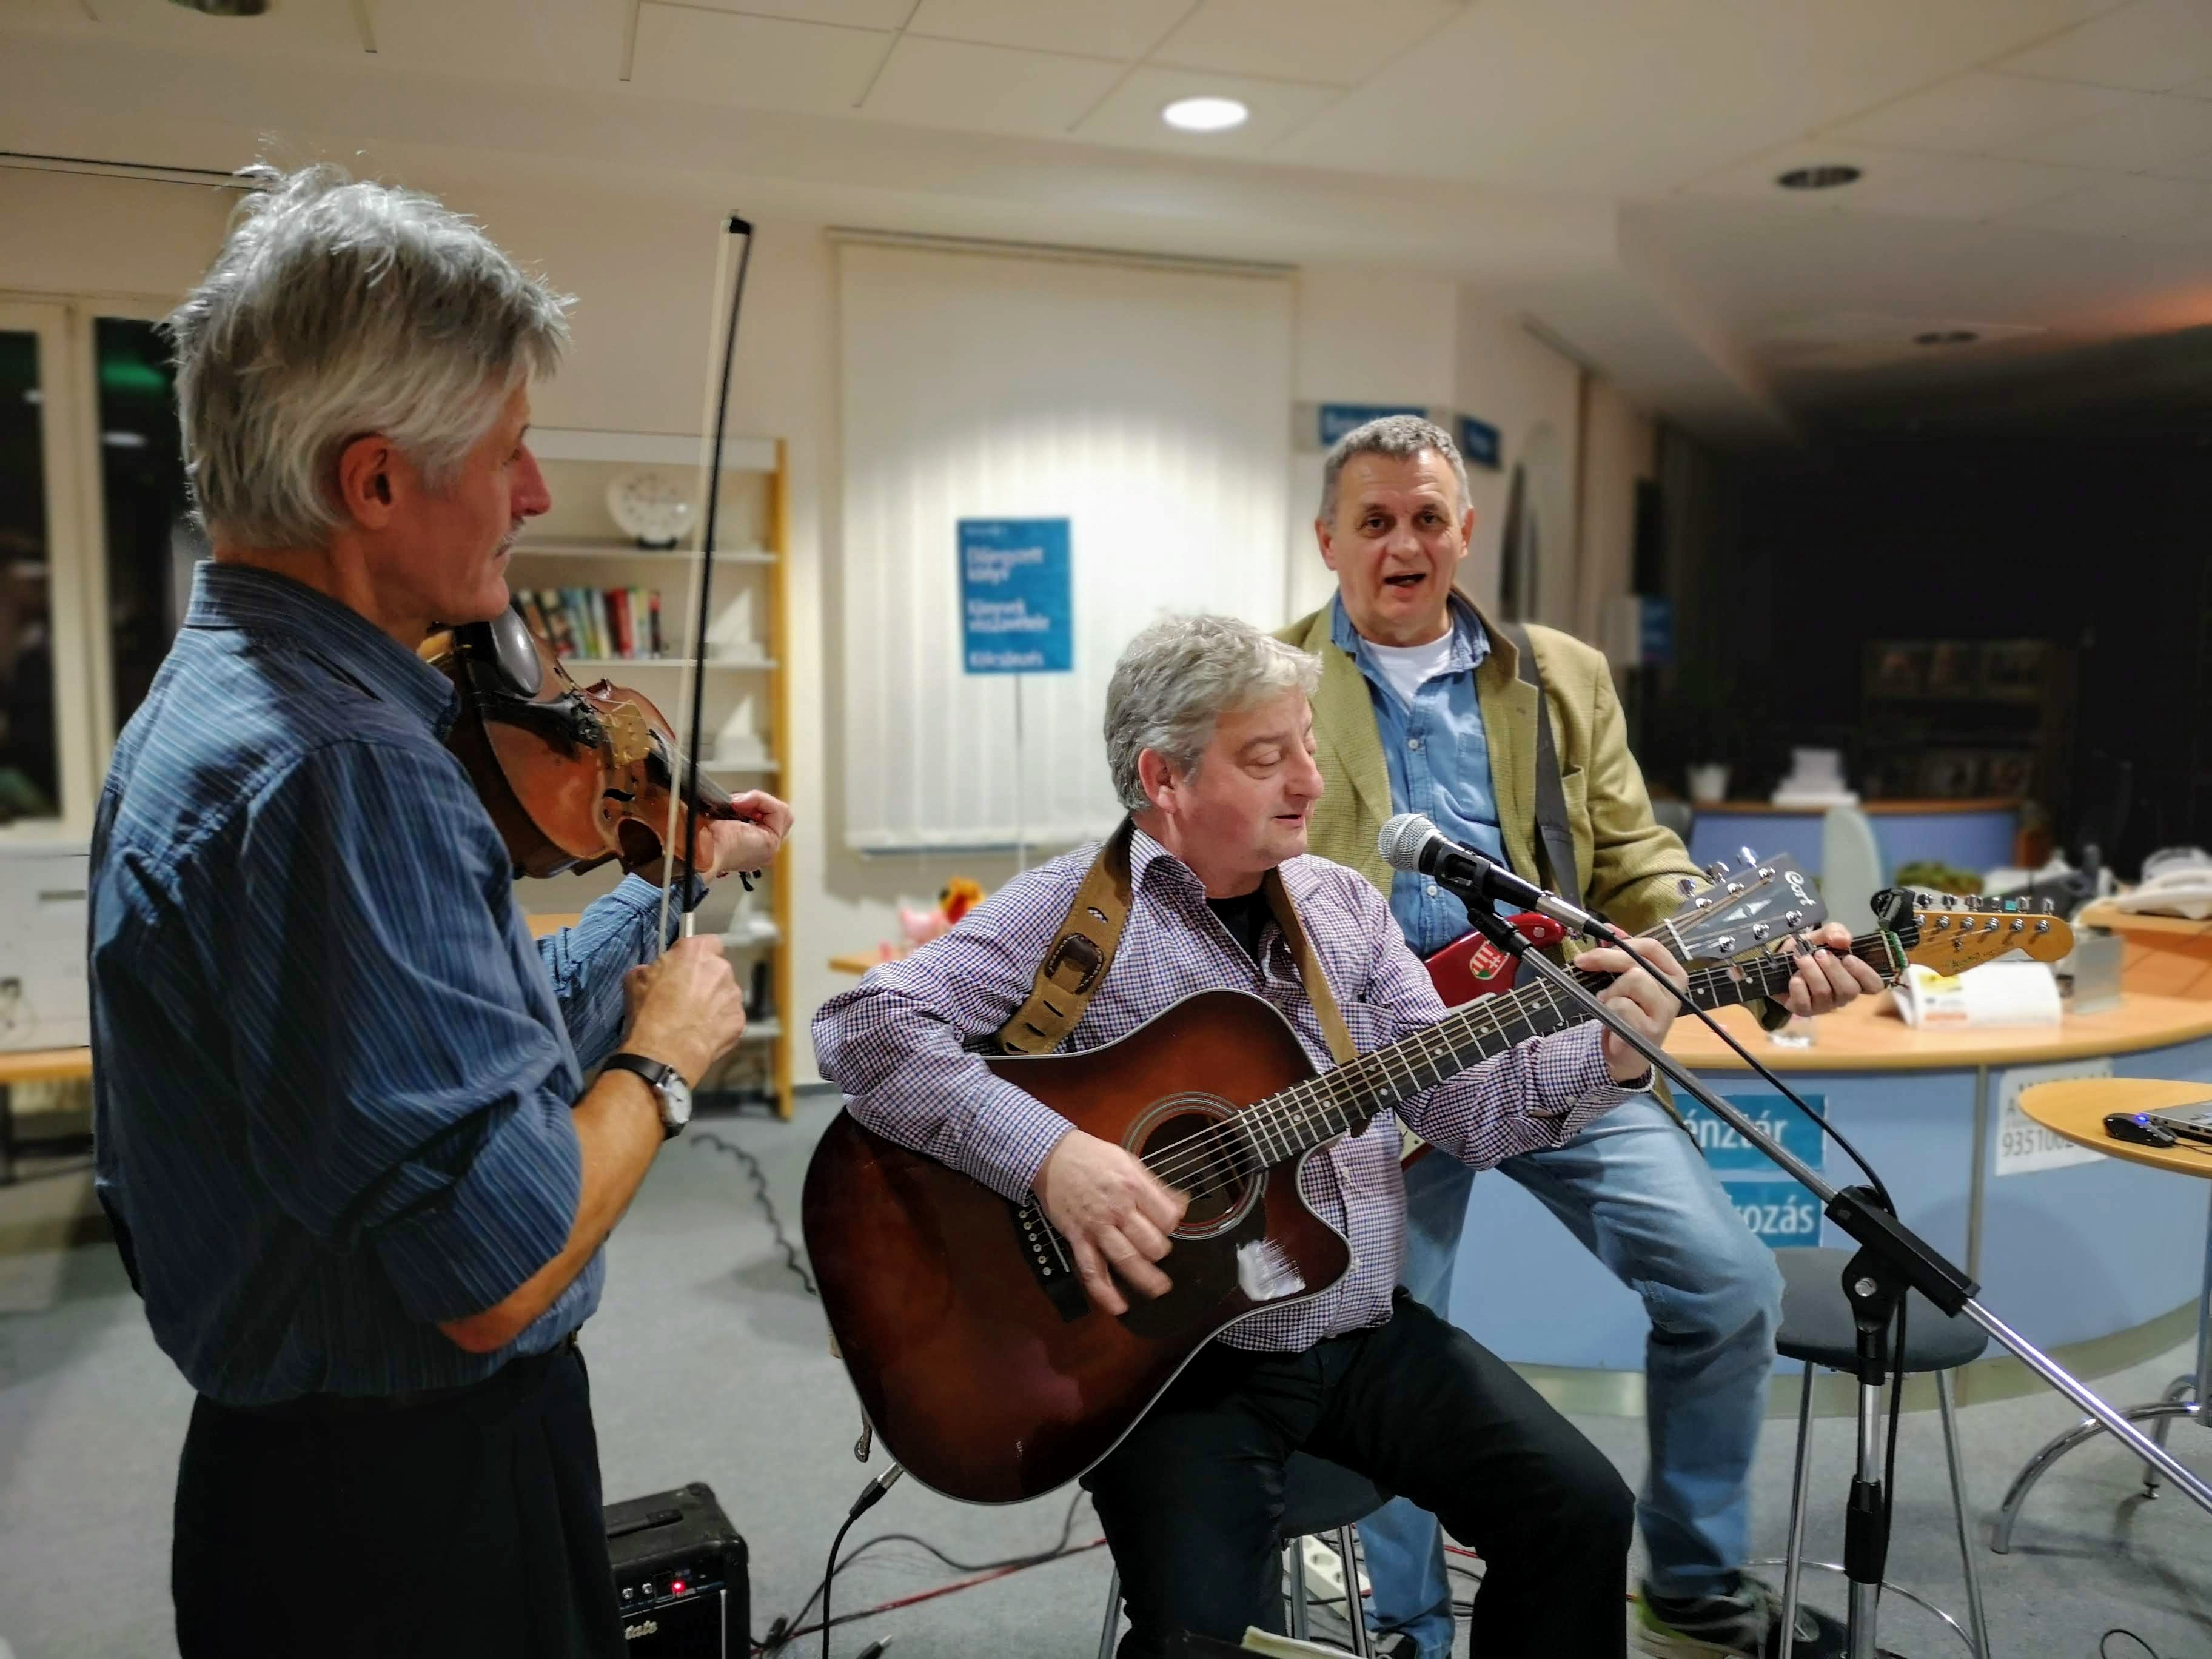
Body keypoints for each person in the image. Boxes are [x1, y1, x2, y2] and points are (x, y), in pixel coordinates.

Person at [88, 164, 793, 1659]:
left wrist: (668, 891)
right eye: (510, 449)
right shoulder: (346, 768)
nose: (533, 495)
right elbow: (496, 1264)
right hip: (409, 1520)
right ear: (375, 484)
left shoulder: (212, 702)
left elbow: (460, 1045)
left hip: (297, 1495)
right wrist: (664, 1064)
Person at [814, 613, 1694, 1658]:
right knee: (1192, 1639)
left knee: (1579, 1511)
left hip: (1358, 1328)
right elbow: (861, 1027)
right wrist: (1052, 1158)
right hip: (1171, 1369)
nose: (1311, 782)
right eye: (1268, 758)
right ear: (1165, 778)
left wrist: (1616, 1052)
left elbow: (1466, 1111)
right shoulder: (1071, 910)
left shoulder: (1343, 907)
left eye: (1308, 745)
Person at [1279, 414, 1883, 1659]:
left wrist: (1749, 953)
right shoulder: (1272, 678)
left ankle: (1691, 1586)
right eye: (1376, 521)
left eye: (1428, 518)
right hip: (1369, 1077)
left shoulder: (1559, 675)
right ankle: (1408, 1626)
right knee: (1378, 1347)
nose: (1404, 545)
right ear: (1328, 540)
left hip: (1554, 1039)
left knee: (1730, 1287)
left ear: (1466, 530)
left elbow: (1638, 857)